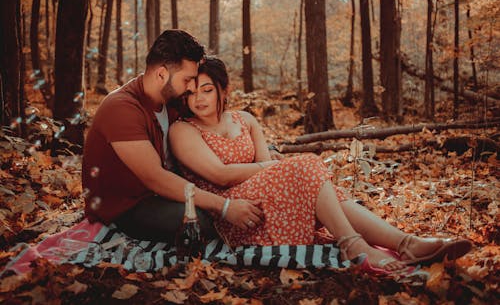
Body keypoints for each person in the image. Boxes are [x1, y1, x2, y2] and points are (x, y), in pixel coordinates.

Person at [168, 57, 472, 272]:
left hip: (268, 196)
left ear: (223, 89)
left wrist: (274, 168)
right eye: (191, 92)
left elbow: (265, 163)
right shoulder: (184, 130)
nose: (199, 99)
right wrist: (274, 169)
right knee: (306, 165)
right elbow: (220, 176)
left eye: (207, 89)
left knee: (314, 179)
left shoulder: (244, 120)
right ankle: (355, 245)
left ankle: (407, 243)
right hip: (234, 212)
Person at [82, 30, 268, 243]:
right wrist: (224, 206)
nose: (191, 87)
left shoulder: (173, 101)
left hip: (170, 193)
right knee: (201, 223)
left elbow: (213, 126)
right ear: (161, 74)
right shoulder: (121, 108)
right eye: (188, 79)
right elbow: (155, 178)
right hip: (127, 208)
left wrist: (263, 156)